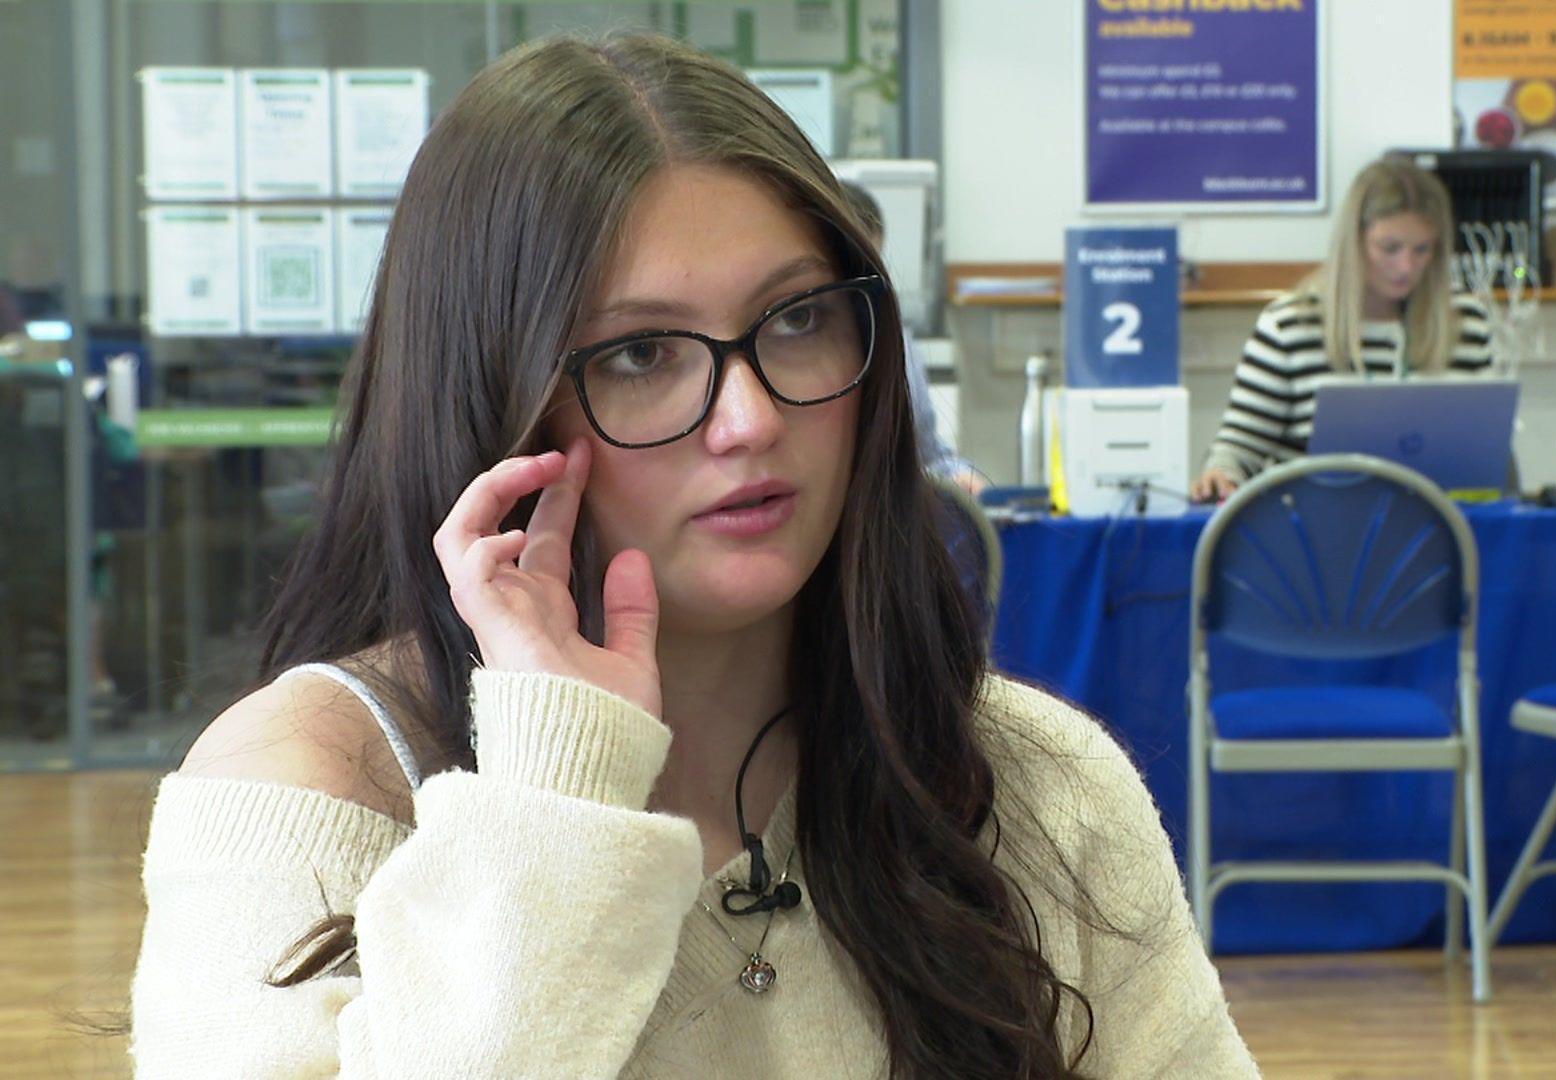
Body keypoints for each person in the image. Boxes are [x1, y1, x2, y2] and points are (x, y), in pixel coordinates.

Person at [128, 31, 1257, 1079]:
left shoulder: (1029, 778)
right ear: (489, 408)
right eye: (641, 353)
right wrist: (564, 779)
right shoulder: (307, 781)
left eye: (801, 319)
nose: (750, 419)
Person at [1191, 156, 1495, 502]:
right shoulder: (1290, 325)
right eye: (1390, 248)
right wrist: (1221, 474)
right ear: (1355, 242)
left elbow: (1485, 451)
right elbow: (1238, 447)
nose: (1406, 267)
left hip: (1438, 531)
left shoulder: (1466, 321)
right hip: (1315, 537)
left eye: (1422, 250)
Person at [838, 180, 985, 494]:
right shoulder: (802, 351)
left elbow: (929, 455)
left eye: (871, 266)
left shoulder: (900, 344)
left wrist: (961, 477)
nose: (861, 283)